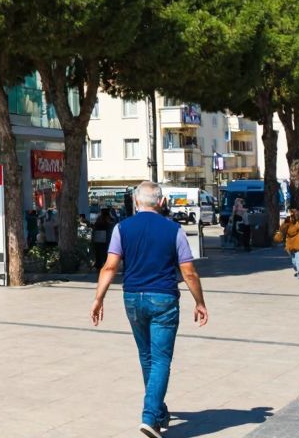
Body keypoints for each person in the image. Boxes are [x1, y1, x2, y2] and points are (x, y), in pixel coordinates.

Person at [91, 182, 209, 438]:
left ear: (135, 202)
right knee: (161, 359)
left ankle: (159, 412)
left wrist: (98, 298)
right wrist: (199, 302)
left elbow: (109, 267)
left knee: (147, 357)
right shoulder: (174, 230)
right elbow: (188, 271)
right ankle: (149, 417)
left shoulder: (122, 228)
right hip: (163, 299)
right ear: (162, 202)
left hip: (132, 298)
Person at [274, 207, 299, 278]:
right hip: (296, 242)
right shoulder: (296, 221)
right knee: (297, 258)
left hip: (294, 243)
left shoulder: (295, 221)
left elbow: (282, 230)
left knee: (296, 258)